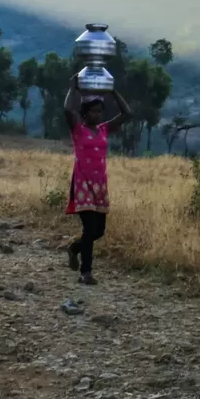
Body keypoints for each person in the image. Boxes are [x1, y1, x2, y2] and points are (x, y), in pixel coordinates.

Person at [62, 73, 131, 285]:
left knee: (99, 230)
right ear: (85, 113)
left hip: (100, 185)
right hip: (82, 183)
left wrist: (112, 90)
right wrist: (73, 88)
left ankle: (74, 248)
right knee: (90, 228)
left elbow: (127, 113)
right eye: (93, 111)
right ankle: (86, 272)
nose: (98, 114)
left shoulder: (104, 130)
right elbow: (67, 109)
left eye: (100, 111)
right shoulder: (78, 129)